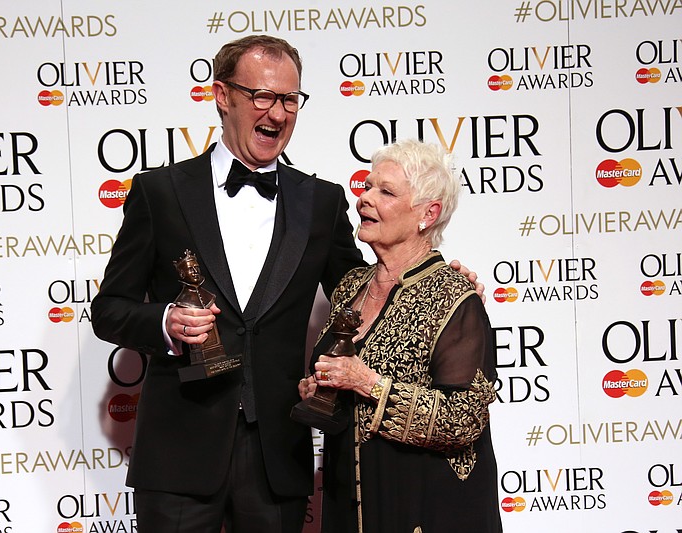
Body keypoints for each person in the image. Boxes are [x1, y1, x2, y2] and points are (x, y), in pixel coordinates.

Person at [91, 35, 482, 533]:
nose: (277, 113)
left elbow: (363, 290)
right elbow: (109, 309)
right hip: (179, 452)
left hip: (278, 455)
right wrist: (165, 321)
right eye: (262, 96)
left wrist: (434, 280)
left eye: (290, 99)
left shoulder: (319, 202)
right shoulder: (159, 192)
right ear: (222, 96)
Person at [298, 139, 502, 533]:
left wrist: (367, 383)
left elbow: (463, 420)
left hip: (425, 509)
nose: (364, 199)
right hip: (351, 506)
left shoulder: (453, 295)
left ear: (429, 213)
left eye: (385, 191)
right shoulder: (349, 288)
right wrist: (318, 389)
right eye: (368, 186)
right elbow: (341, 393)